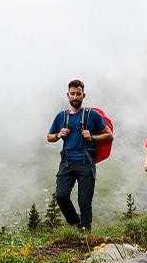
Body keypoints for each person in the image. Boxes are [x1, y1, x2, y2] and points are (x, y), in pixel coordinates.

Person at [47, 79, 112, 231]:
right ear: (68, 95)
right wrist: (58, 135)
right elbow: (49, 136)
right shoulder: (60, 116)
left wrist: (93, 137)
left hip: (86, 162)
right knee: (61, 196)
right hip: (67, 162)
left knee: (84, 201)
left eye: (78, 94)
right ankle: (76, 223)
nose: (75, 97)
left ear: (84, 95)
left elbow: (108, 135)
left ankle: (86, 233)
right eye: (72, 94)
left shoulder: (93, 115)